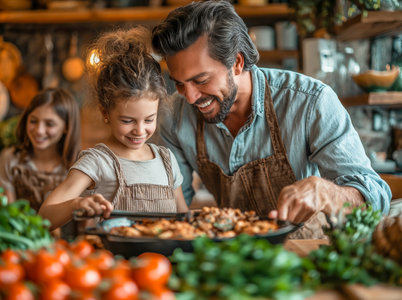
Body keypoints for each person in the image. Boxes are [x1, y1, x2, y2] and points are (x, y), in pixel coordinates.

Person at [151, 0, 391, 238]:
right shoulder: (174, 116)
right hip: (234, 256)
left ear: (236, 62)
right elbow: (172, 208)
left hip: (309, 252)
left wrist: (327, 192)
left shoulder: (310, 102)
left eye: (201, 80)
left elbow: (376, 198)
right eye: (179, 84)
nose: (191, 97)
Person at [39, 27, 188, 231]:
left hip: (165, 262)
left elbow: (184, 221)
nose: (139, 130)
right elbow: (44, 217)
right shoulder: (97, 161)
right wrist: (76, 204)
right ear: (105, 112)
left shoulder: (167, 160)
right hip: (116, 262)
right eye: (128, 121)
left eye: (149, 119)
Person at [0, 87, 81, 237]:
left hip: (67, 251)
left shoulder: (79, 166)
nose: (39, 130)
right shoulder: (10, 159)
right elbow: (10, 216)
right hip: (21, 243)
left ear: (66, 127)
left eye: (49, 124)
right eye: (33, 121)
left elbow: (85, 226)